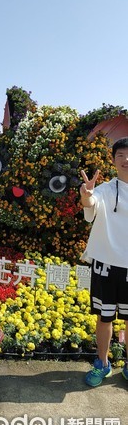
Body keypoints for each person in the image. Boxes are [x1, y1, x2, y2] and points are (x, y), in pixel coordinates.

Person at [80, 136, 128, 387]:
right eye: (120, 155)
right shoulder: (106, 190)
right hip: (106, 266)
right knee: (104, 317)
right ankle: (102, 363)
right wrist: (86, 194)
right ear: (113, 160)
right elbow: (91, 203)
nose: (126, 159)